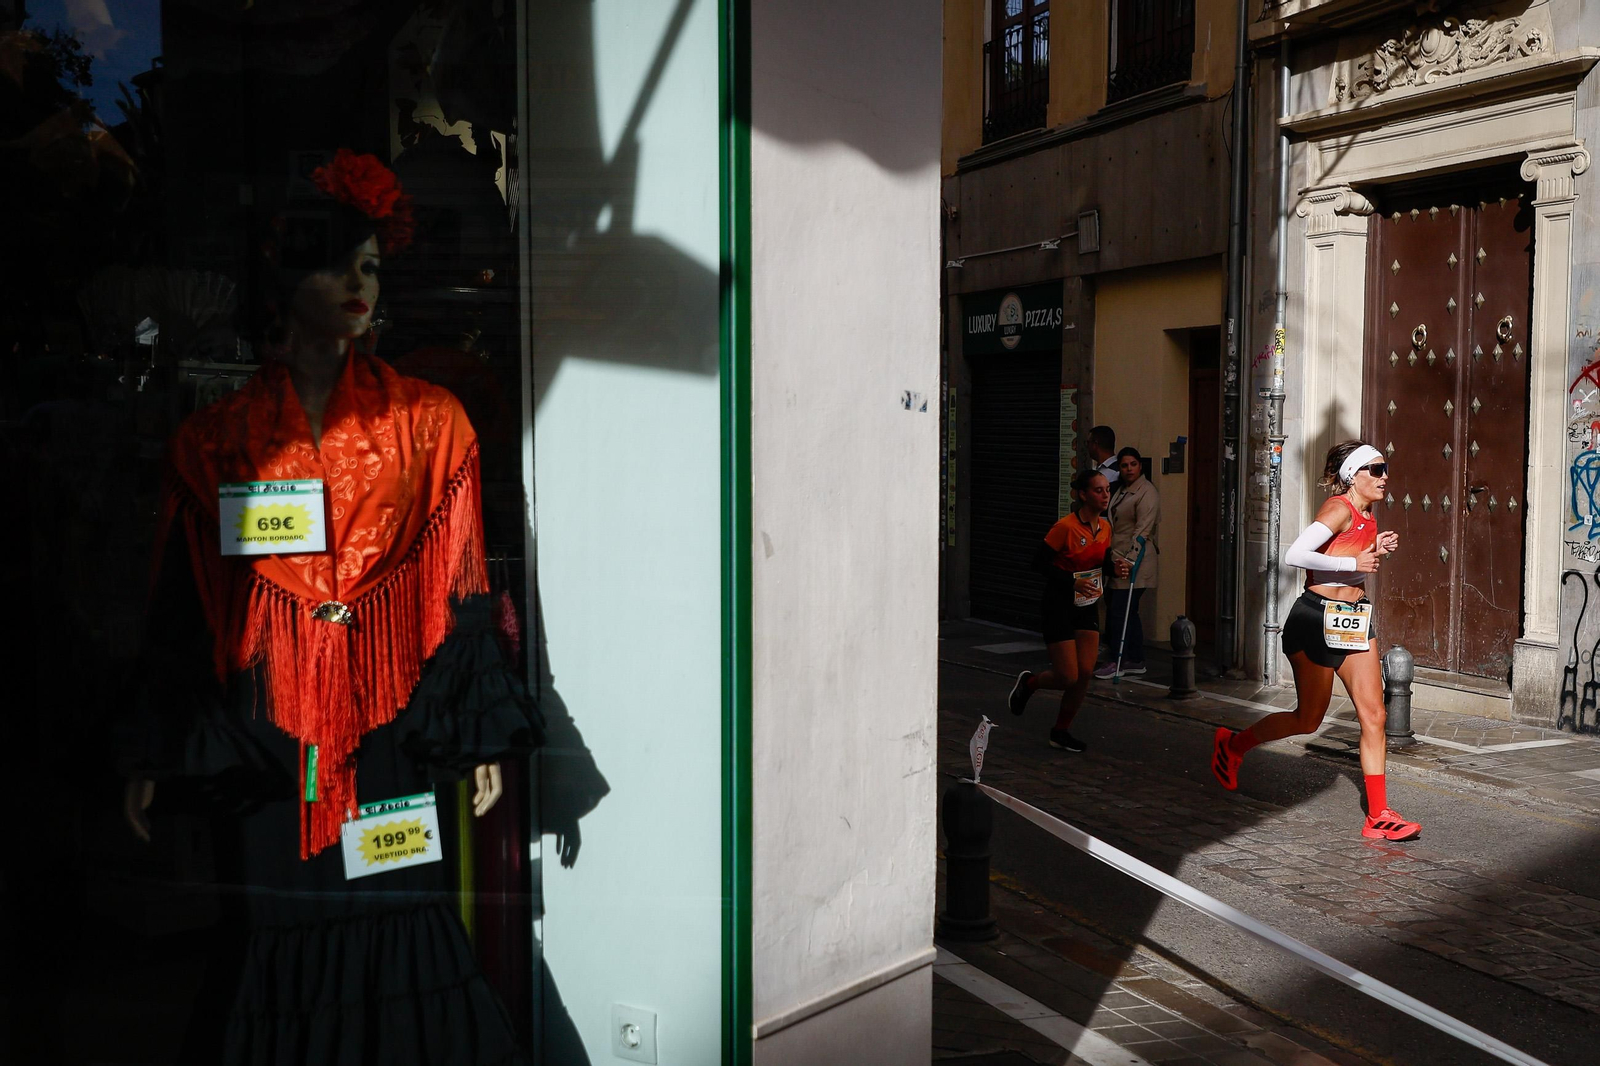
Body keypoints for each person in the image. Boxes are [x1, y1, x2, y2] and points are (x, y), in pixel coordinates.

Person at [122, 150, 538, 1063]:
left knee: (401, 906)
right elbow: (189, 599)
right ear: (284, 276)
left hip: (389, 722)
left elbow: (461, 580)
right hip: (268, 735)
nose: (359, 284)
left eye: (372, 265)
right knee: (276, 933)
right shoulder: (215, 439)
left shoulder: (432, 424)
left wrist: (475, 734)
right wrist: (159, 744)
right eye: (336, 263)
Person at [1209, 441, 1420, 842]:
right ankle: (1234, 745)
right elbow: (1296, 555)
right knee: (1308, 719)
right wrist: (1352, 562)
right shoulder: (1338, 507)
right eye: (1375, 470)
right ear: (1352, 476)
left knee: (1374, 716)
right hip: (1315, 618)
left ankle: (1378, 815)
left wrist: (1374, 552)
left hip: (1355, 619)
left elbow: (1350, 571)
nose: (1384, 476)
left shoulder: (1368, 512)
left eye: (1385, 468)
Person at [1007, 469, 1132, 751]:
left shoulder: (1105, 527)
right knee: (1067, 676)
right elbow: (1038, 565)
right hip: (1058, 604)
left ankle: (1061, 730)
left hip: (1087, 605)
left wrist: (1116, 568)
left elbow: (1101, 563)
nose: (1105, 495)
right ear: (1083, 495)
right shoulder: (1065, 527)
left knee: (1085, 672)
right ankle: (1030, 683)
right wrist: (1073, 582)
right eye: (1098, 491)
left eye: (1107, 490)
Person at [1096, 447, 1159, 678]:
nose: (1129, 469)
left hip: (1134, 562)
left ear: (1140, 466)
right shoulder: (1121, 490)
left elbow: (1142, 531)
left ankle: (1118, 659)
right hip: (1117, 557)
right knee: (1125, 610)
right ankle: (1134, 658)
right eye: (1124, 465)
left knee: (1120, 611)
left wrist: (1128, 562)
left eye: (1133, 464)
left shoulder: (1147, 492)